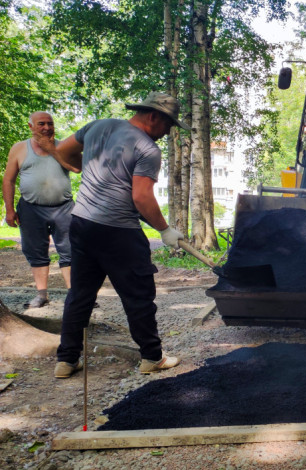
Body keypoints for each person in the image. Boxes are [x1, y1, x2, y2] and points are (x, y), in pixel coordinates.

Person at [35, 92, 190, 379]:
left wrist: (91, 170)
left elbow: (64, 151)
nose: (167, 133)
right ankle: (152, 357)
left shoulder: (99, 126)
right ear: (154, 116)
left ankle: (66, 360)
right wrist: (165, 230)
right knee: (138, 295)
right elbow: (141, 197)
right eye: (168, 125)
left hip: (81, 224)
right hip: (119, 232)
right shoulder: (147, 148)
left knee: (80, 295)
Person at [3, 112, 73, 308]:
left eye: (50, 124)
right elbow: (8, 180)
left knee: (70, 250)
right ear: (30, 126)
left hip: (64, 208)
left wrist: (52, 149)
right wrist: (9, 209)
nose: (46, 128)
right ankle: (42, 295)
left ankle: (74, 295)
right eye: (41, 124)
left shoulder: (63, 146)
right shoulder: (19, 148)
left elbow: (77, 168)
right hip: (31, 208)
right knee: (35, 251)